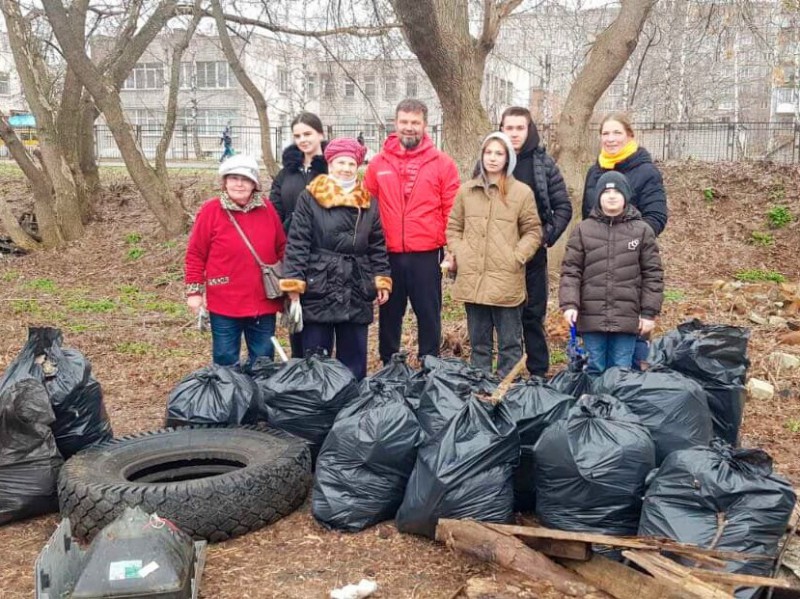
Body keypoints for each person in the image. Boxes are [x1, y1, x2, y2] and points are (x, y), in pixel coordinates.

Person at [280, 138, 392, 380]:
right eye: (341, 162)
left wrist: (382, 278)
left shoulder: (368, 201)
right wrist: (294, 284)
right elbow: (298, 242)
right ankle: (315, 400)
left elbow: (376, 245)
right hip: (319, 283)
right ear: (330, 164)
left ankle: (351, 399)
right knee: (316, 357)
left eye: (351, 164)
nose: (346, 168)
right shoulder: (310, 197)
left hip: (356, 285)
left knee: (354, 358)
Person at [364, 99, 460, 365]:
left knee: (429, 314)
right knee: (389, 314)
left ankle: (430, 364)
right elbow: (367, 208)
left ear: (425, 125)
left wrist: (452, 250)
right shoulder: (378, 164)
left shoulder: (442, 164)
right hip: (388, 254)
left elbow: (452, 210)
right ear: (395, 124)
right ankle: (390, 365)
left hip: (427, 254)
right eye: (404, 122)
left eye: (415, 122)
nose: (409, 127)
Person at [446, 132, 541, 377]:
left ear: (508, 158)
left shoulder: (521, 193)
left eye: (499, 153)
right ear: (482, 155)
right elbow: (454, 227)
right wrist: (460, 251)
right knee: (479, 343)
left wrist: (516, 256)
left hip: (506, 279)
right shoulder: (466, 191)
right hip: (473, 279)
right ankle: (481, 387)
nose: (493, 158)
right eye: (488, 152)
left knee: (510, 343)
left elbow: (533, 231)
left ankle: (508, 389)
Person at [581, 113, 668, 367]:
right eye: (605, 133)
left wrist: (629, 241)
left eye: (617, 132)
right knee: (595, 354)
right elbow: (587, 214)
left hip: (632, 264)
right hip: (598, 266)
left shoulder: (646, 171)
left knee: (631, 346)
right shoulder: (594, 171)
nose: (610, 139)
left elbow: (657, 216)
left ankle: (630, 381)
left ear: (630, 135)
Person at [185, 154, 286, 367]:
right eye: (234, 178)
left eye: (245, 179)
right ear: (225, 182)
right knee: (225, 360)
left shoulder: (267, 209)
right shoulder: (211, 210)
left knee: (263, 361)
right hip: (224, 301)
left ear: (254, 184)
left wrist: (290, 284)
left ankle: (258, 388)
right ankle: (228, 389)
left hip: (263, 301)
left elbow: (282, 248)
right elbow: (195, 254)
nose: (239, 184)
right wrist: (194, 292)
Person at [559, 171, 664, 376]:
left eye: (617, 191)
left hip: (627, 317)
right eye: (606, 192)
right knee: (593, 369)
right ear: (598, 197)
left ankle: (616, 399)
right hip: (591, 316)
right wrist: (569, 304)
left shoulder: (642, 231)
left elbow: (653, 275)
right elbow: (571, 271)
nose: (612, 196)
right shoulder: (583, 230)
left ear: (626, 196)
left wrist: (648, 313)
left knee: (621, 371)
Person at [500, 106, 572, 378]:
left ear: (529, 130)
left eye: (520, 128)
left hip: (533, 255)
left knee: (533, 315)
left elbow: (563, 206)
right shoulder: (492, 159)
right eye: (509, 128)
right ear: (501, 129)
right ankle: (508, 375)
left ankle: (538, 374)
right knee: (504, 317)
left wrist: (545, 236)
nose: (514, 134)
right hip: (499, 255)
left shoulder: (543, 163)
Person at [270, 112, 328, 357]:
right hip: (292, 251)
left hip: (323, 251)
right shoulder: (286, 173)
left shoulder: (330, 169)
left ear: (320, 134)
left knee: (320, 317)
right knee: (296, 313)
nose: (303, 140)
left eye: (308, 134)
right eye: (298, 136)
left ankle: (321, 364)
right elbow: (274, 212)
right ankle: (298, 363)